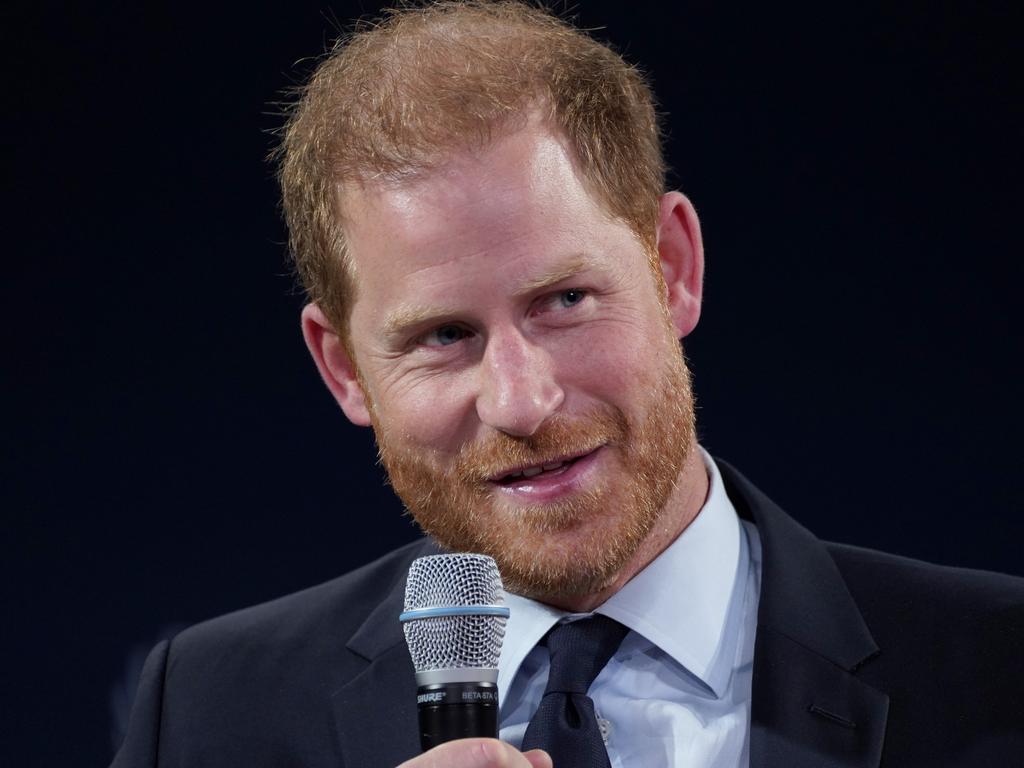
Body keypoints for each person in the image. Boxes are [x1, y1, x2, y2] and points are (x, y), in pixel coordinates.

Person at [111, 2, 1024, 766]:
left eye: (565, 299)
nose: (521, 401)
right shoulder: (205, 713)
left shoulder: (997, 668)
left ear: (672, 268)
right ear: (346, 369)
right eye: (442, 334)